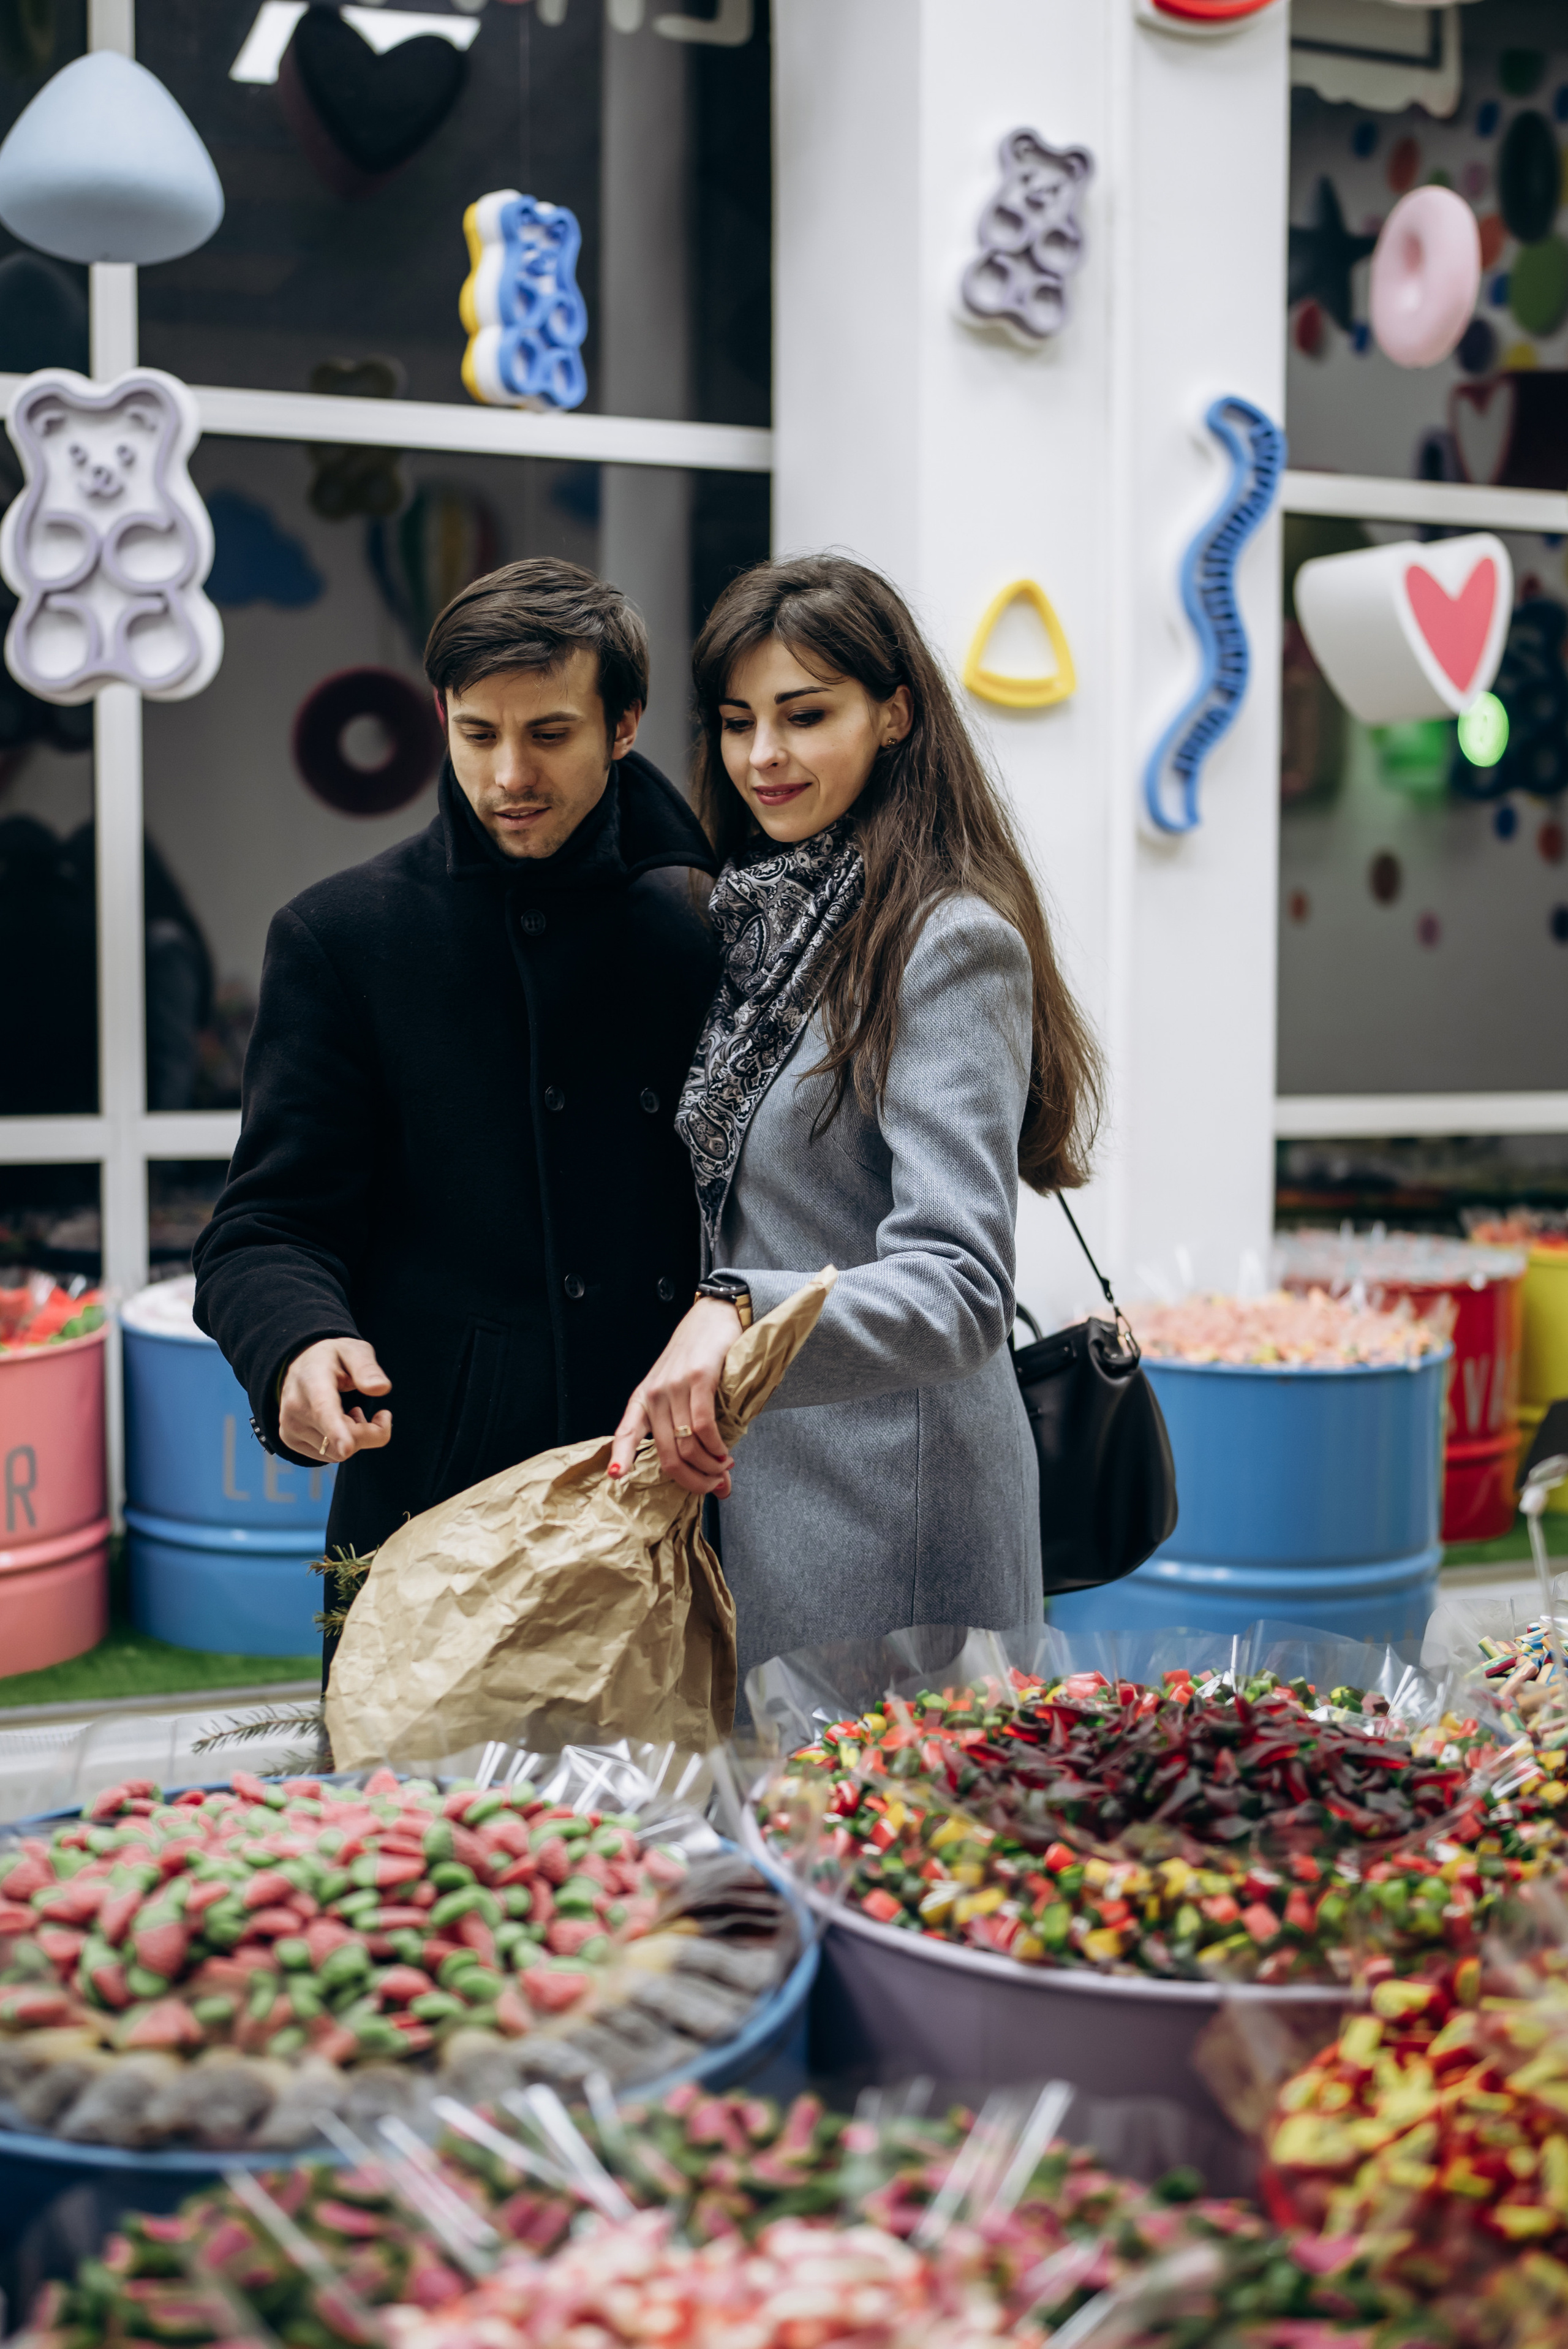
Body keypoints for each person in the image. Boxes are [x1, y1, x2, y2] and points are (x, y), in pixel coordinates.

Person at [608, 554, 1102, 1681]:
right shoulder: (760, 920)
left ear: (895, 714)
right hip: (769, 1492)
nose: (762, 758)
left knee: (900, 1851)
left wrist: (737, 1309)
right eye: (737, 723)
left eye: (804, 715)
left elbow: (962, 1286)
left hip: (900, 1522)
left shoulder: (947, 939)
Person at [194, 559, 719, 1600]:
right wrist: (296, 1340)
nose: (509, 775)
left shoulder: (712, 923)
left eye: (550, 734)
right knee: (403, 1776)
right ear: (442, 714)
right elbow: (265, 1228)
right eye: (478, 733)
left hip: (683, 1489)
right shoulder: (341, 937)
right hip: (438, 1506)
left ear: (624, 725)